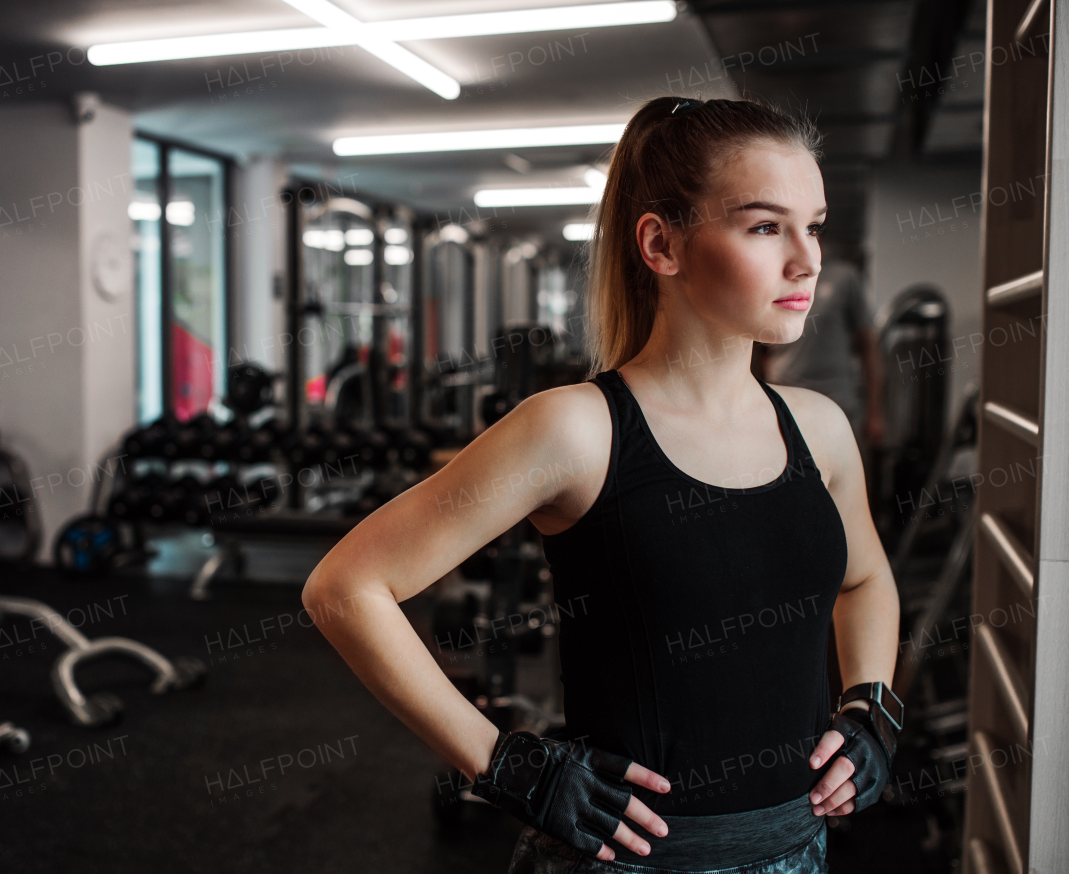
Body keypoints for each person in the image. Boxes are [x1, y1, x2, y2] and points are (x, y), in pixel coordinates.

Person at [301, 96, 900, 874]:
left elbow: (866, 579)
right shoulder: (577, 431)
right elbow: (346, 588)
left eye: (812, 226)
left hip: (798, 851)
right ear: (661, 244)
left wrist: (872, 707)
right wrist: (509, 765)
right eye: (764, 226)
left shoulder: (818, 428)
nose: (807, 259)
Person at [760, 250, 885, 450]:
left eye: (813, 229)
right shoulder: (770, 276)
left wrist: (875, 411)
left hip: (836, 401)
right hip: (783, 403)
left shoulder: (843, 277)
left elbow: (869, 345)